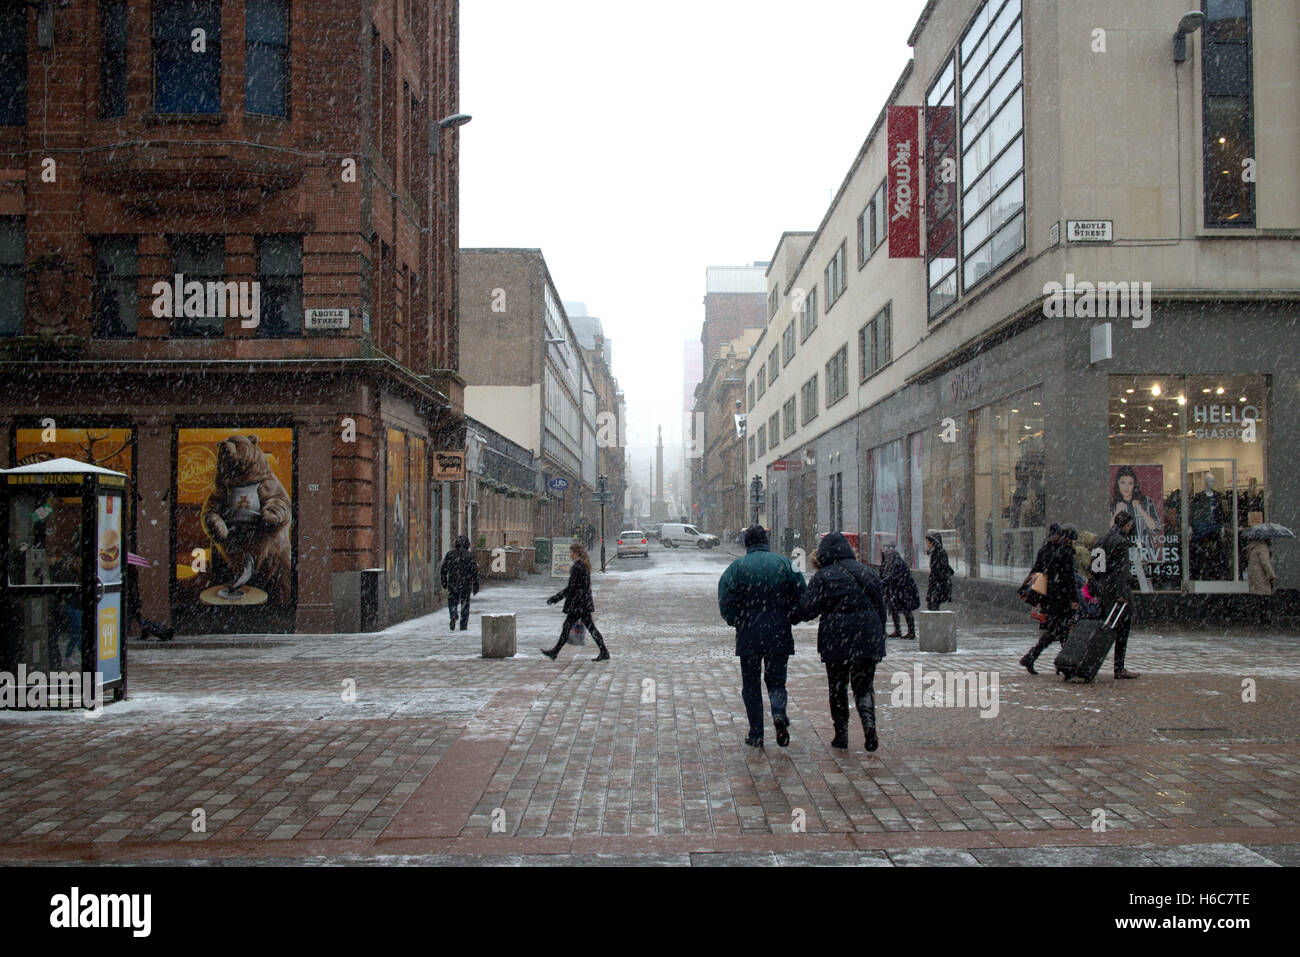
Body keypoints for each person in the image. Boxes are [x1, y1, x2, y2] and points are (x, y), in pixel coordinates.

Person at [791, 532, 887, 752]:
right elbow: (882, 608)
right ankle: (869, 727)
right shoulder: (867, 572)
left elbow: (808, 608)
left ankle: (841, 735)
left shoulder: (824, 576)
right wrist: (879, 637)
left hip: (837, 640)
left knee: (838, 688)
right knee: (863, 688)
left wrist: (789, 615)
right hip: (868, 636)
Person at [718, 525, 807, 748]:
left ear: (747, 543)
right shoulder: (786, 564)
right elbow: (802, 595)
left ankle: (756, 732)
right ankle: (778, 712)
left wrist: (735, 620)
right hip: (779, 633)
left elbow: (725, 598)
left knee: (751, 685)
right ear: (766, 541)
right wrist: (791, 617)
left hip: (749, 634)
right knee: (776, 681)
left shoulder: (737, 567)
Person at [1019, 524, 1078, 674]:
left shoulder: (1046, 549)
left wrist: (1026, 589)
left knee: (1060, 631)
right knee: (1057, 630)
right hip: (1061, 598)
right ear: (1069, 539)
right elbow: (1069, 579)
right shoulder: (1066, 552)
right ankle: (1063, 664)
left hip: (1048, 597)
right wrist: (1075, 599)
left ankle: (1064, 664)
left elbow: (1036, 571)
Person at [541, 542, 610, 661]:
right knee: (588, 628)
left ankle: (555, 652)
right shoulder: (583, 565)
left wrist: (556, 598)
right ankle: (604, 651)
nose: (570, 555)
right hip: (582, 603)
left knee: (568, 627)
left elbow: (571, 588)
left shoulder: (578, 567)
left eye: (571, 552)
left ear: (577, 553)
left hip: (578, 604)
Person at [1093, 511, 1140, 679]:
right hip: (1117, 591)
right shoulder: (1121, 542)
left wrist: (1099, 585)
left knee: (1104, 628)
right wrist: (1121, 593)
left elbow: (1095, 567)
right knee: (1122, 630)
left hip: (1104, 590)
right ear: (1126, 525)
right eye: (1130, 526)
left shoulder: (1101, 539)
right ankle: (1119, 668)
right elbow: (1122, 571)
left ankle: (1092, 661)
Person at [879, 543, 920, 639]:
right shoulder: (892, 562)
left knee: (906, 611)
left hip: (904, 591)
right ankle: (897, 630)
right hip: (898, 591)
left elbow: (892, 577)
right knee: (894, 610)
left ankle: (911, 632)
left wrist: (881, 583)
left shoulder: (897, 563)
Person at [439, 535, 479, 631]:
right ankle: (463, 624)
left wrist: (444, 581)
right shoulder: (469, 556)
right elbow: (475, 572)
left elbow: (443, 569)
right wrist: (475, 585)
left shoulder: (450, 555)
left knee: (452, 601)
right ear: (467, 544)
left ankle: (453, 614)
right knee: (465, 603)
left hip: (453, 582)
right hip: (466, 583)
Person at [1246, 537, 1276, 625]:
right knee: (1264, 597)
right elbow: (1265, 562)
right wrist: (1272, 574)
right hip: (1261, 576)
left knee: (1257, 597)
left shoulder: (1253, 547)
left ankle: (1256, 617)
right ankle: (1264, 619)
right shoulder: (1263, 548)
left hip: (1254, 575)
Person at [924, 533, 953, 611]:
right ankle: (934, 621)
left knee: (933, 605)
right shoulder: (935, 553)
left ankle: (935, 621)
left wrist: (936, 580)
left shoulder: (940, 553)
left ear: (933, 543)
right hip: (936, 584)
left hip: (939, 584)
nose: (928, 545)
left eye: (929, 543)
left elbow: (941, 569)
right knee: (931, 605)